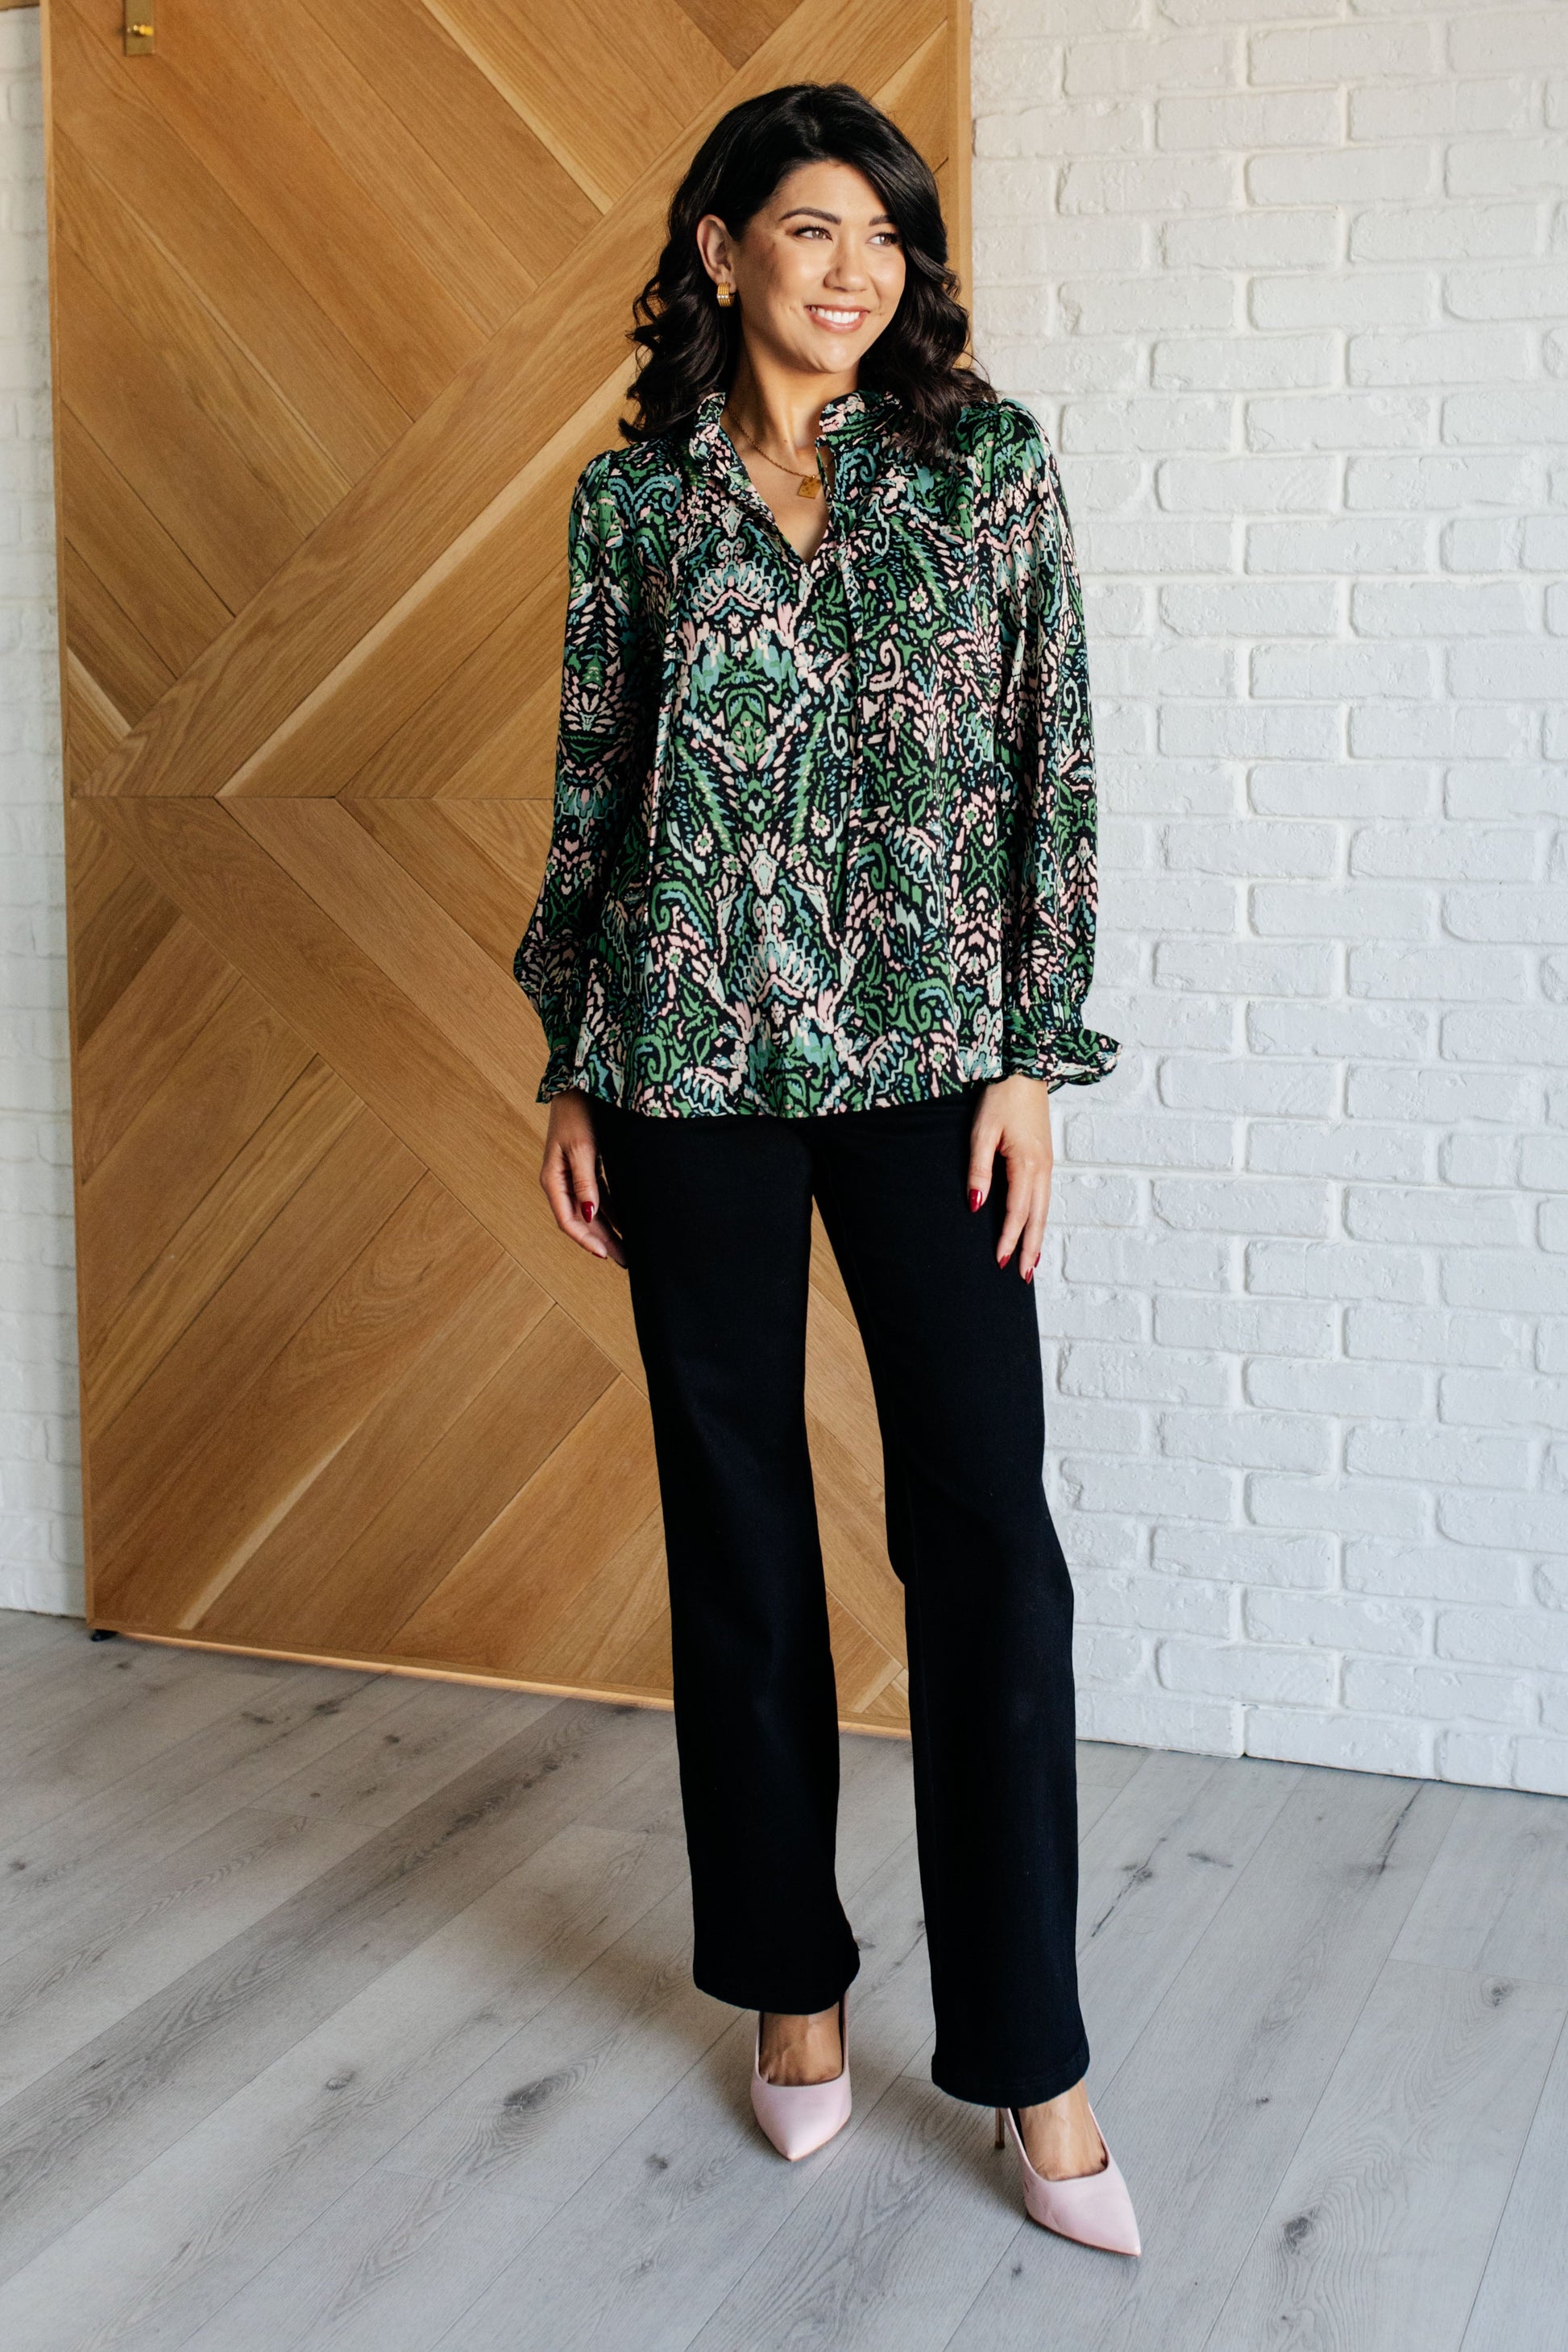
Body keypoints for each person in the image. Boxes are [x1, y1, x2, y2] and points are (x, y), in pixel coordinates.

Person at [513, 82, 1139, 2257]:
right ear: (719, 250)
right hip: (682, 1063)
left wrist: (1030, 1058)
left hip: (931, 1067)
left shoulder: (986, 467)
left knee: (987, 1538)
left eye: (883, 234)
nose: (853, 270)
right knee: (739, 1531)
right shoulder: (631, 504)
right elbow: (592, 789)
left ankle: (1034, 2057)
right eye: (808, 229)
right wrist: (571, 1062)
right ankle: (790, 1981)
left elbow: (1054, 762)